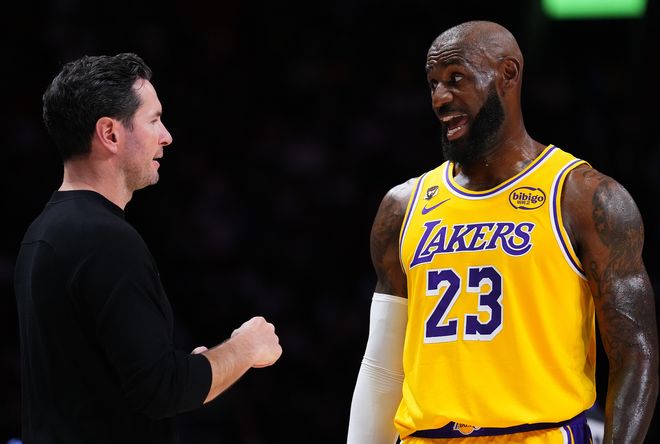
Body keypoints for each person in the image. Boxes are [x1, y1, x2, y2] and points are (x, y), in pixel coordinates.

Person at [347, 21, 658, 444]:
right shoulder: (402, 207)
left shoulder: (583, 197)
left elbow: (634, 354)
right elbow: (382, 367)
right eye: (433, 83)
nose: (440, 98)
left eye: (456, 78)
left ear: (507, 74)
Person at [14, 53, 282, 443]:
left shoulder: (42, 232)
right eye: (154, 120)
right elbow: (161, 391)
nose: (166, 136)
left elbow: (109, 384)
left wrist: (192, 369)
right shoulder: (104, 239)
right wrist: (246, 347)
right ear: (110, 133)